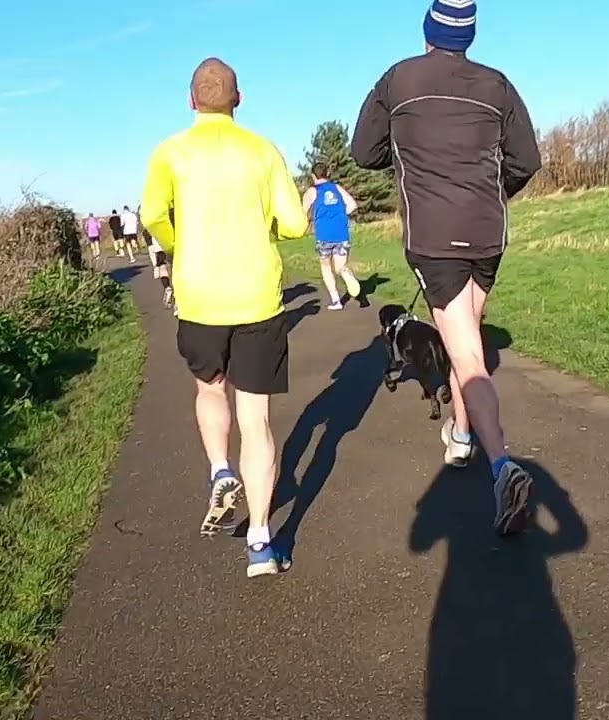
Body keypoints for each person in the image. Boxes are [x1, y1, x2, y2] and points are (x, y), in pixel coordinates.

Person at [351, 0, 543, 537]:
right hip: (488, 232)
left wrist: (409, 150)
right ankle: (460, 435)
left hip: (435, 237)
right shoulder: (499, 85)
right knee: (469, 339)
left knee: (465, 352)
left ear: (428, 30)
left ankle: (502, 465)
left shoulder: (396, 80)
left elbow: (363, 152)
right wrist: (490, 192)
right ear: (471, 36)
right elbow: (527, 161)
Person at [140, 57, 308, 578]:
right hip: (257, 296)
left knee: (210, 390)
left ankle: (219, 470)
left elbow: (151, 217)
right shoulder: (263, 150)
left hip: (199, 297)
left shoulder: (169, 152)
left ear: (191, 101)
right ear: (239, 100)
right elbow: (297, 224)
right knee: (255, 419)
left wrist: (179, 243)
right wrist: (266, 232)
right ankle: (261, 541)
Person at [302, 163, 362, 310]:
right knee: (340, 266)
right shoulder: (337, 188)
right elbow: (353, 205)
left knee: (326, 266)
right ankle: (345, 273)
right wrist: (339, 214)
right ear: (327, 174)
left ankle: (336, 300)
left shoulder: (312, 192)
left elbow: (303, 213)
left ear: (313, 176)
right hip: (342, 233)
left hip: (324, 235)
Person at [138, 205, 177, 314]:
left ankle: (167, 288)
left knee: (163, 267)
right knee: (176, 270)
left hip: (159, 244)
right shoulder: (173, 210)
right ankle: (178, 302)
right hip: (175, 242)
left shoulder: (152, 214)